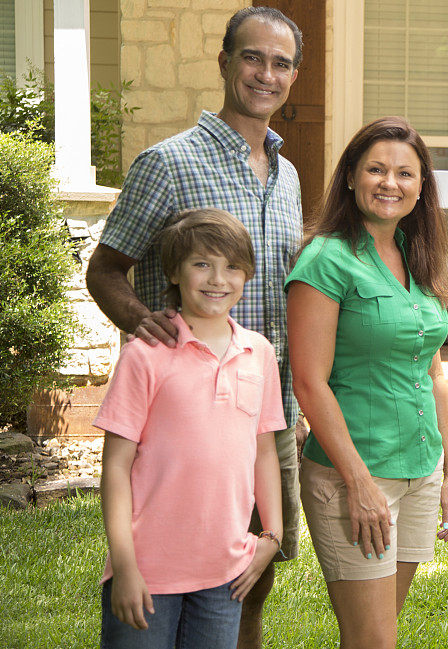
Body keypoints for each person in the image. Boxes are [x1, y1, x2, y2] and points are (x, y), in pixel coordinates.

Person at [86, 6, 304, 649]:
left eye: (282, 62)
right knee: (166, 572)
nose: (266, 73)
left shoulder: (288, 175)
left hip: (268, 411)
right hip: (177, 419)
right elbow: (106, 269)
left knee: (249, 576)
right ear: (225, 62)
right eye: (252, 57)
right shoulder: (169, 162)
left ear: (294, 76)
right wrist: (144, 324)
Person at [285, 116, 448, 649]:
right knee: (373, 642)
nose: (391, 183)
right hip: (354, 477)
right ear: (350, 177)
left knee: (379, 634)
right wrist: (360, 485)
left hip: (418, 473)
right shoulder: (325, 260)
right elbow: (308, 382)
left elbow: (433, 371)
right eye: (377, 169)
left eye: (406, 174)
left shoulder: (422, 256)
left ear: (421, 187)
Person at [95, 209, 285, 649]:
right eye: (202, 263)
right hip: (146, 571)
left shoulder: (258, 353)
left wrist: (271, 536)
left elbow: (265, 452)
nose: (218, 278)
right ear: (174, 272)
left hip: (225, 573)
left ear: (247, 274)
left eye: (232, 266)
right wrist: (124, 566)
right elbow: (116, 467)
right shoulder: (145, 354)